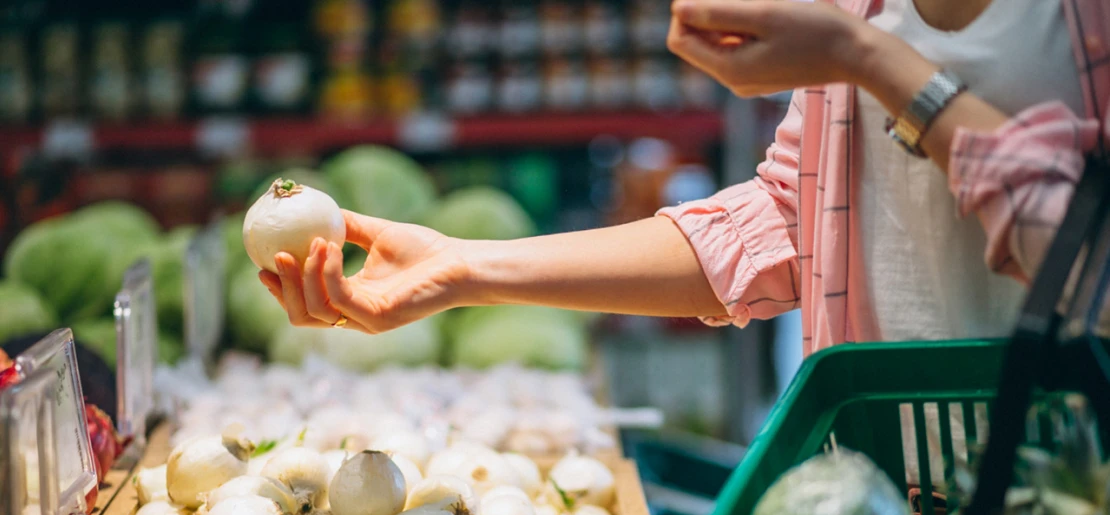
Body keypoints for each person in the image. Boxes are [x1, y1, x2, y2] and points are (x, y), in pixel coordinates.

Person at [260, 0, 1108, 357]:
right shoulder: (861, 11)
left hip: (1075, 511)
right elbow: (785, 223)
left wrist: (875, 65)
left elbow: (1091, 262)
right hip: (887, 500)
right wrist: (467, 269)